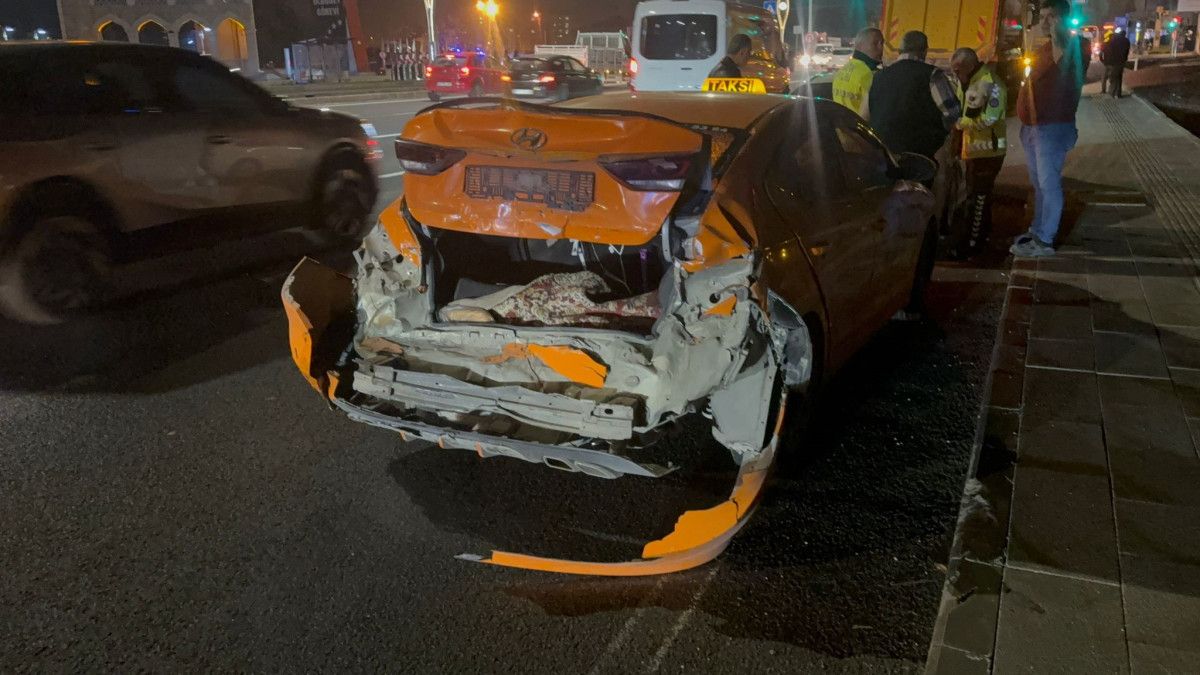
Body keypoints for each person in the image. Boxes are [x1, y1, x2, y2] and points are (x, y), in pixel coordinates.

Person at [1010, 0, 1088, 258]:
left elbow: (1063, 58)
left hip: (1051, 129)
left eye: (1050, 17)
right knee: (1039, 185)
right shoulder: (1046, 47)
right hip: (1034, 128)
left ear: (1062, 19)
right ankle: (1037, 230)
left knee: (1048, 183)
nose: (1043, 22)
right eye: (1042, 17)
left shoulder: (1075, 47)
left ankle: (1045, 240)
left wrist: (1058, 32)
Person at [864, 31, 962, 161]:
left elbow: (865, 115)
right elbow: (952, 112)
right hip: (919, 154)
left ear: (900, 50)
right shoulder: (932, 75)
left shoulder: (878, 76)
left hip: (883, 153)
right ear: (924, 51)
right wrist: (941, 134)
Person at [948, 47, 1007, 258]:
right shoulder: (967, 82)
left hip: (988, 152)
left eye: (957, 69)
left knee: (978, 200)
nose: (955, 73)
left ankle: (973, 245)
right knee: (977, 197)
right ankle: (983, 238)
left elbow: (991, 118)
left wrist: (960, 124)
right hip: (973, 152)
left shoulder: (991, 84)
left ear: (969, 65)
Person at [832, 28, 884, 114]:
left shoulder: (842, 71)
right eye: (875, 43)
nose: (881, 48)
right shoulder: (871, 74)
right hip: (860, 122)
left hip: (841, 121)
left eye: (882, 43)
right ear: (860, 46)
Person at [1100, 27, 1131, 98]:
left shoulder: (1112, 41)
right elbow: (1126, 52)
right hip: (1120, 62)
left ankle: (1110, 93)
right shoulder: (1126, 41)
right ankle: (1118, 94)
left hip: (1111, 62)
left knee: (1112, 78)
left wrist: (1103, 60)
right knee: (1118, 78)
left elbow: (1106, 51)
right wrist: (1124, 59)